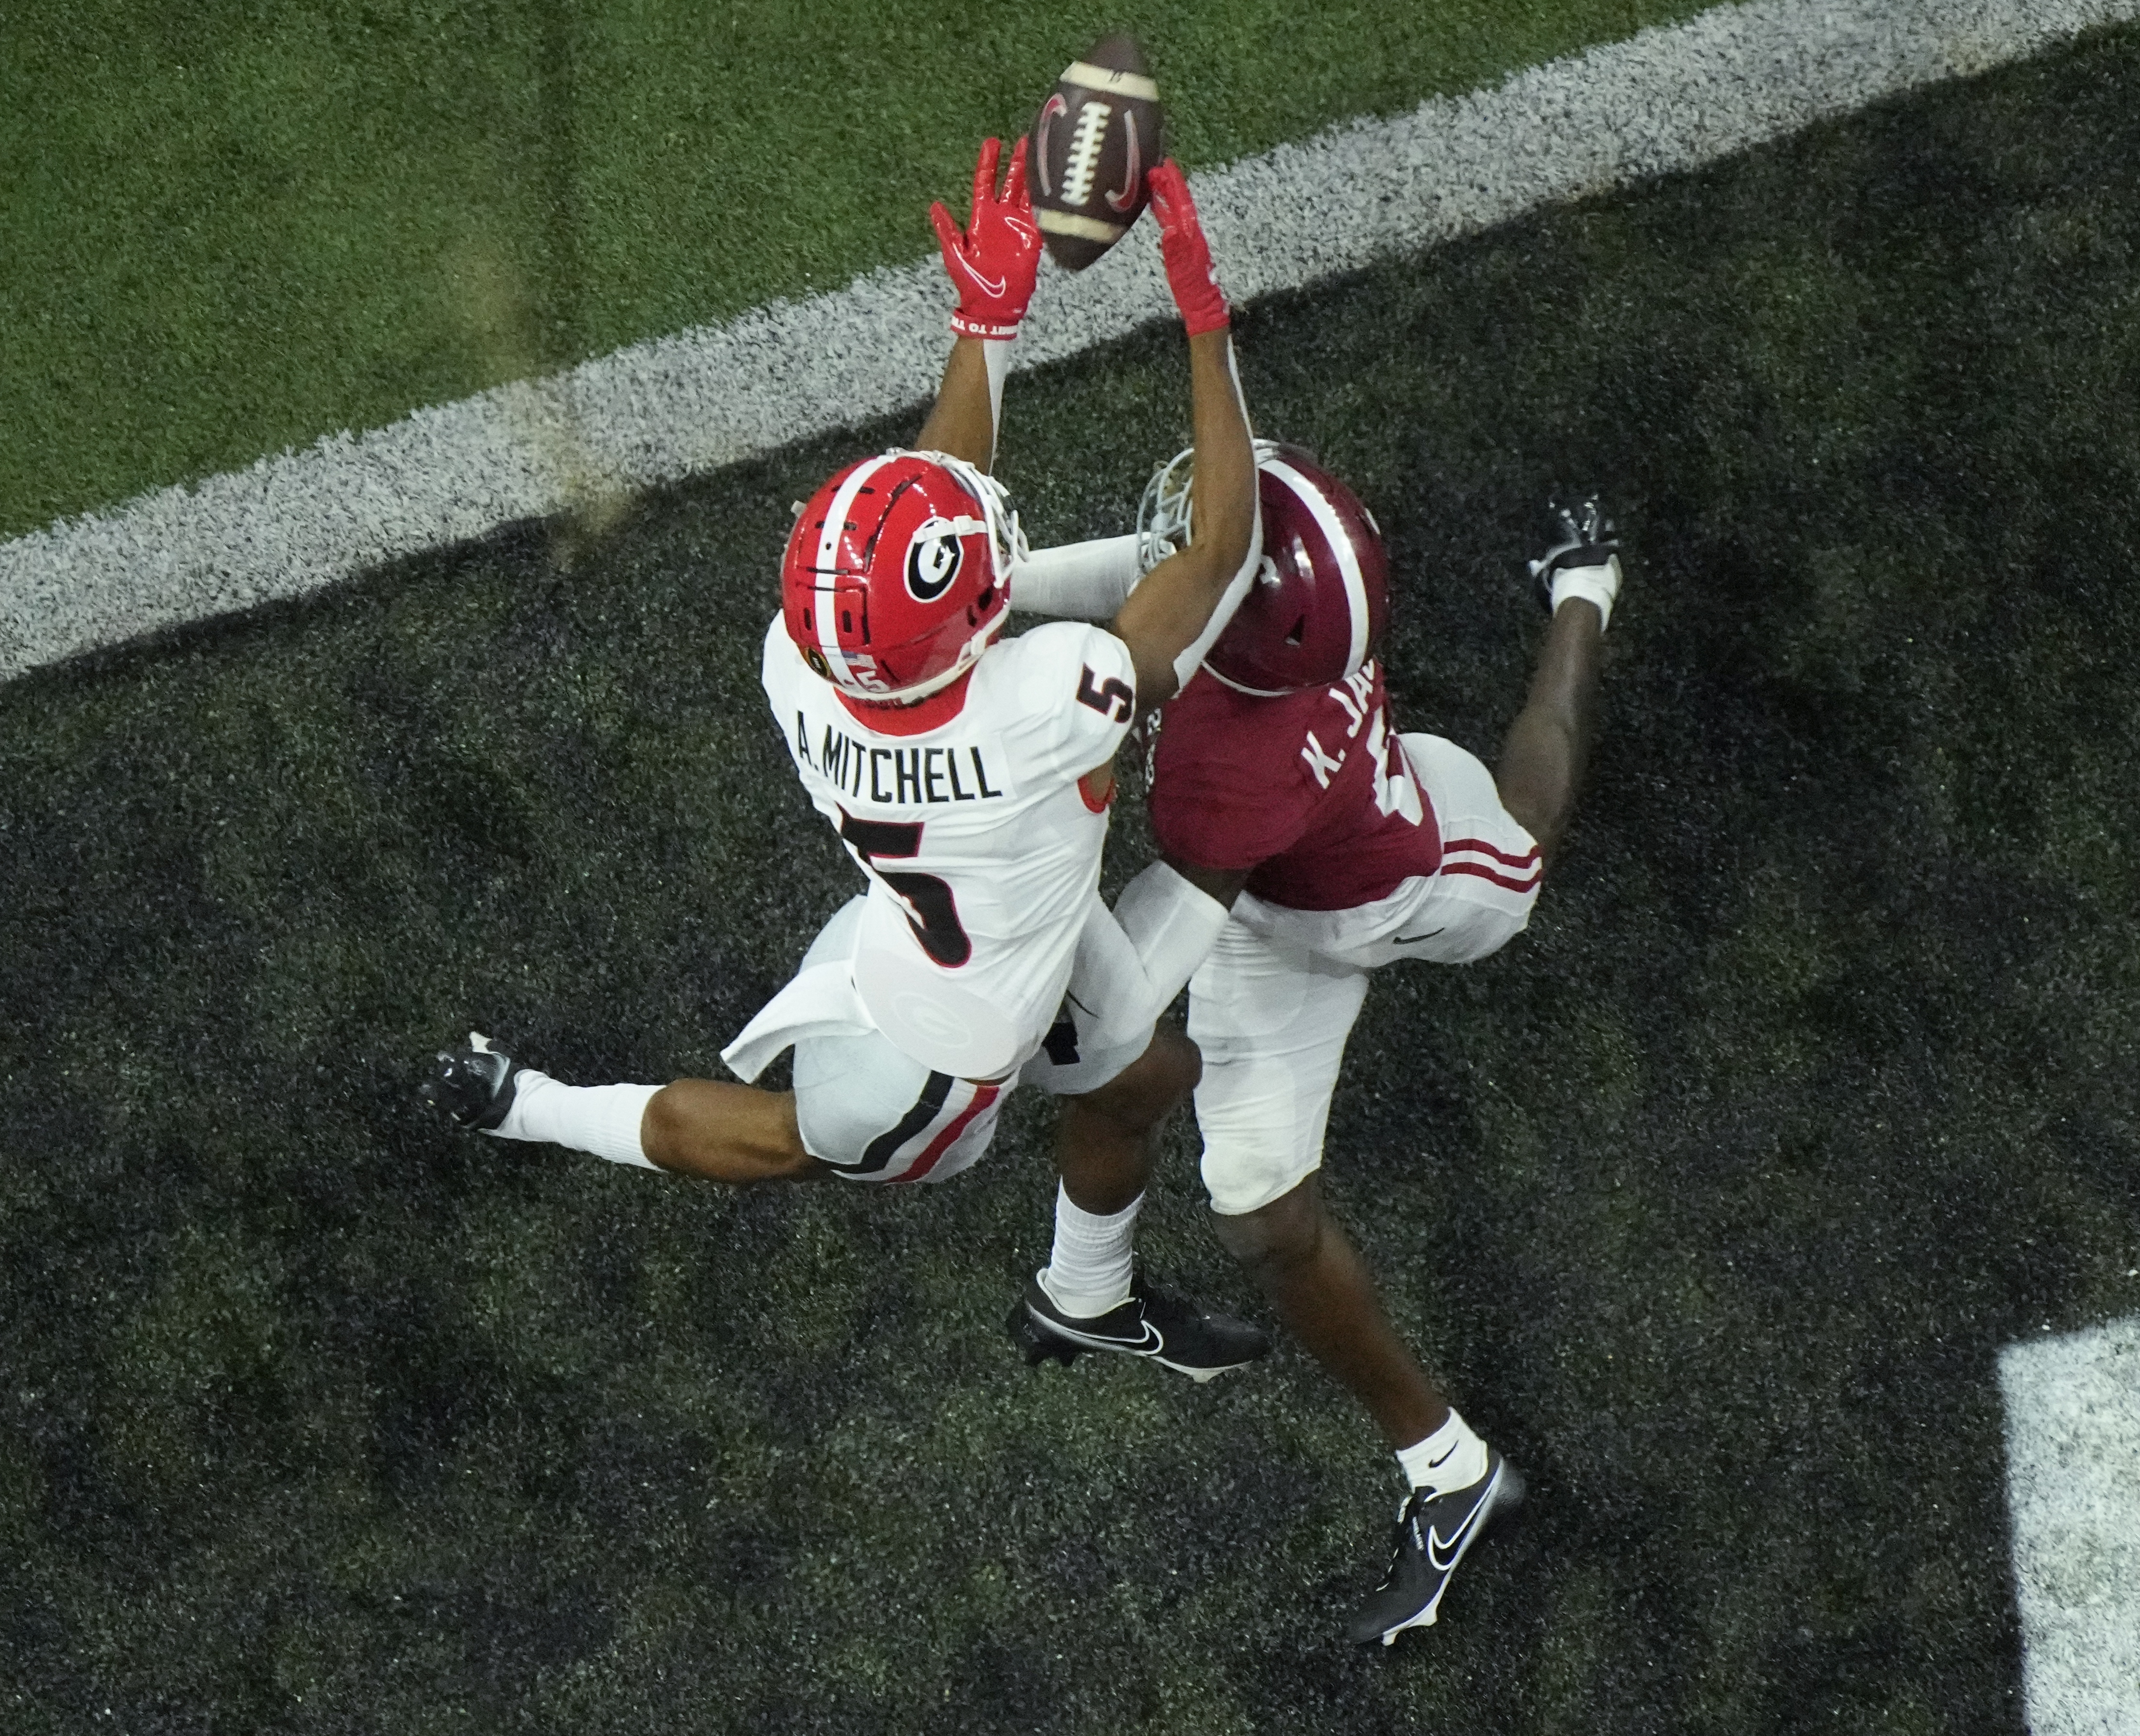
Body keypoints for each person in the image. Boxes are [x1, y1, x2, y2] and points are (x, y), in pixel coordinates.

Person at [422, 138, 1271, 1381]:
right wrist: (1204, 319)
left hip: (966, 922)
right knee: (794, 1140)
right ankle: (530, 1107)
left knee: (1152, 1069)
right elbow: (1217, 550)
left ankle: (1083, 1296)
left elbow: (937, 518)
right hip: (934, 1047)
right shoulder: (1046, 700)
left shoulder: (799, 660)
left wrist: (987, 319)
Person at [1011, 441, 1622, 1644]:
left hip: (1399, 880)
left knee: (1527, 835)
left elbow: (1133, 978)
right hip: (1272, 890)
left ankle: (1584, 590)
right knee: (1254, 1209)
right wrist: (1001, 587)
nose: (1189, 543)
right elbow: (1163, 566)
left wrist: (1002, 1008)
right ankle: (1448, 1469)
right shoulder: (1304, 592)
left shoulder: (1220, 767)